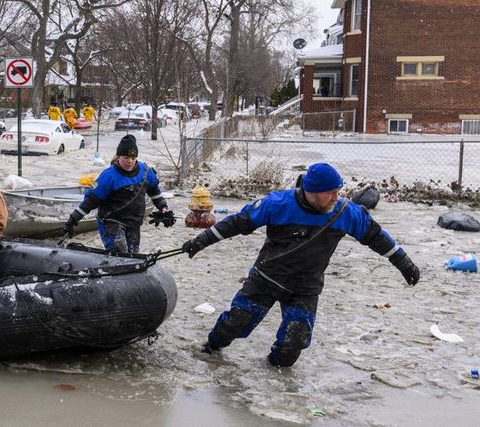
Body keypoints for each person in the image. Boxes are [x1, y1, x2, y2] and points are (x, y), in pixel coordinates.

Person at [182, 163, 420, 368]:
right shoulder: (277, 204)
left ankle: (273, 375)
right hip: (267, 278)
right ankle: (210, 349)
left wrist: (403, 262)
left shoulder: (345, 213)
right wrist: (201, 241)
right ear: (312, 191)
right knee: (237, 321)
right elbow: (237, 223)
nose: (336, 198)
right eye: (331, 193)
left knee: (294, 341)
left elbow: (375, 236)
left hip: (305, 287)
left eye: (338, 192)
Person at [63, 134, 170, 253]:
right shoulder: (108, 176)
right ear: (118, 156)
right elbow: (90, 201)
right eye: (126, 158)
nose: (130, 161)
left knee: (133, 256)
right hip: (112, 222)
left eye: (133, 158)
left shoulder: (145, 171)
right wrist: (72, 221)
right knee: (120, 255)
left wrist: (163, 207)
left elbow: (154, 190)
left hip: (134, 222)